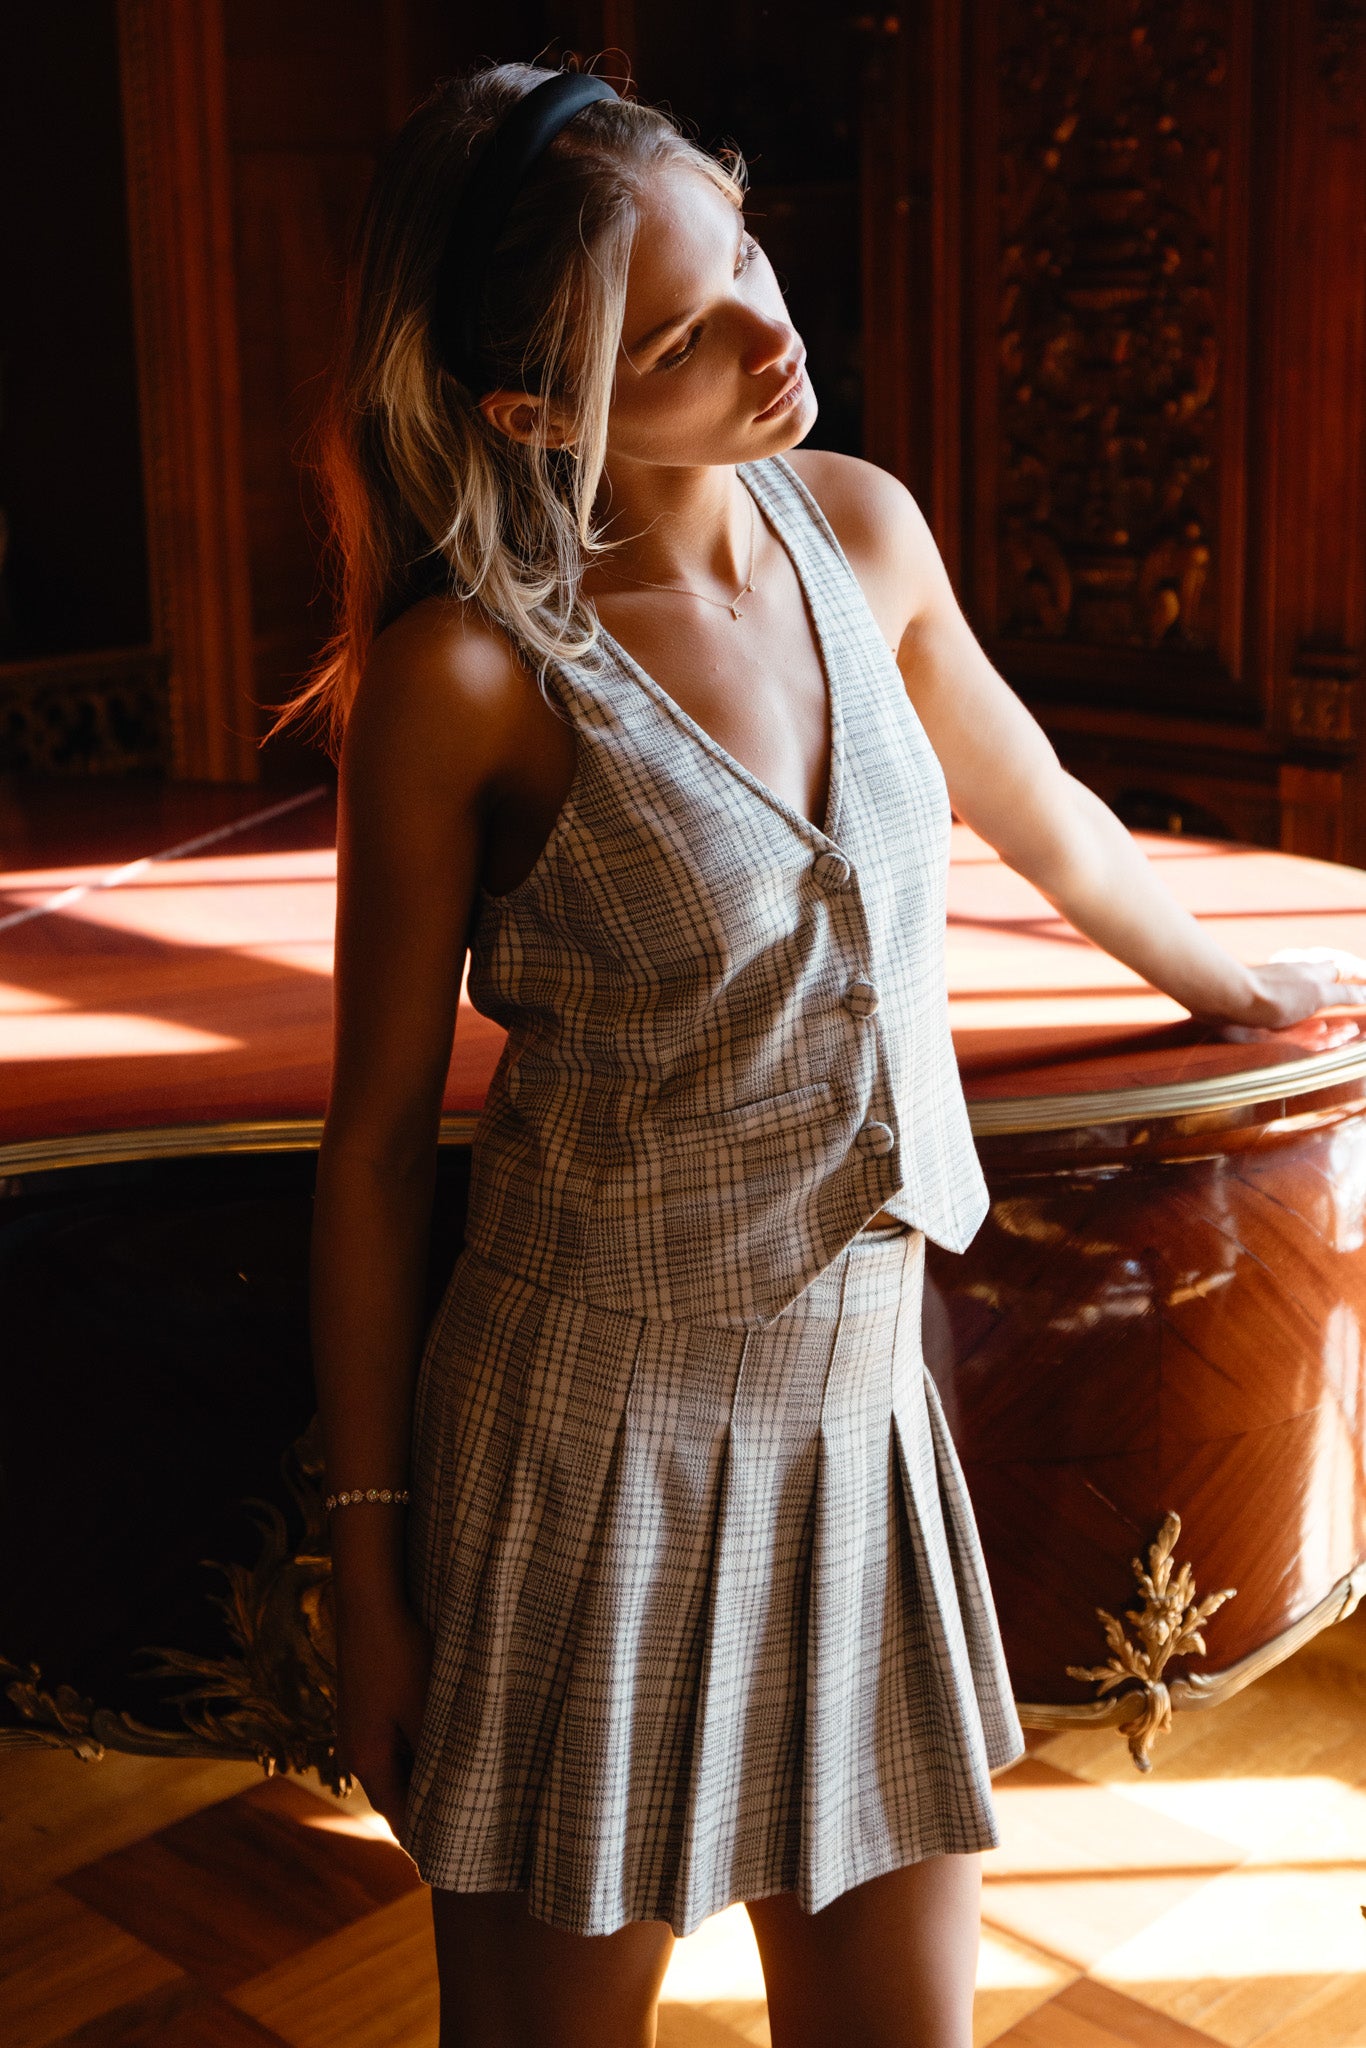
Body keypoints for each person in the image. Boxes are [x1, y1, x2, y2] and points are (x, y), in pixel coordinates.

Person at [291, 59, 1364, 2048]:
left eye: (747, 260)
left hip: (861, 1422)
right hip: (589, 1450)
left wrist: (1230, 980)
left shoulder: (859, 530)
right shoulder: (470, 677)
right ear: (536, 412)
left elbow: (1035, 803)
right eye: (679, 340)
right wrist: (370, 1575)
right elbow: (369, 1152)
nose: (766, 336)